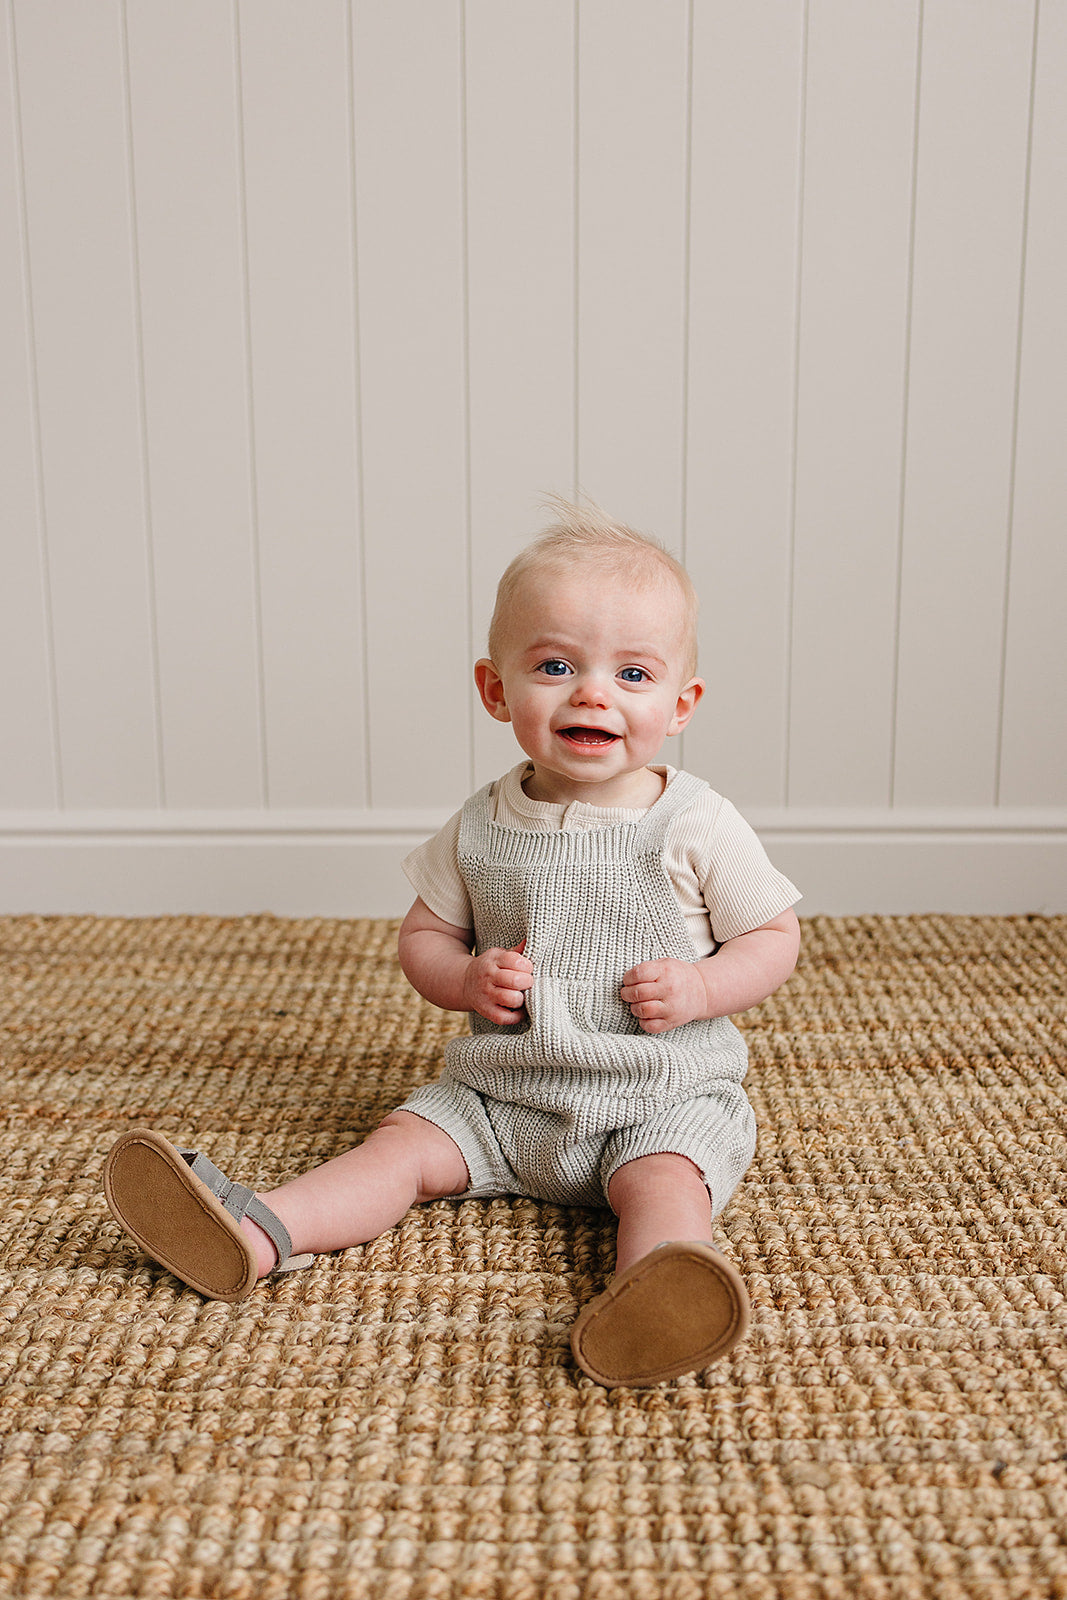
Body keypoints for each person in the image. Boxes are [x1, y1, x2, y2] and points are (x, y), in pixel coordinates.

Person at [104, 498, 801, 1388]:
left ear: (680, 704)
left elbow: (772, 936)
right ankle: (257, 1231)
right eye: (555, 666)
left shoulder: (695, 822)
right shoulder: (479, 824)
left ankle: (659, 1291)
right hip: (502, 1095)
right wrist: (465, 978)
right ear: (496, 690)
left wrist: (702, 989)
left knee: (665, 1184)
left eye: (633, 674)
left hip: (656, 1094)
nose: (592, 693)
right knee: (397, 1148)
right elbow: (425, 935)